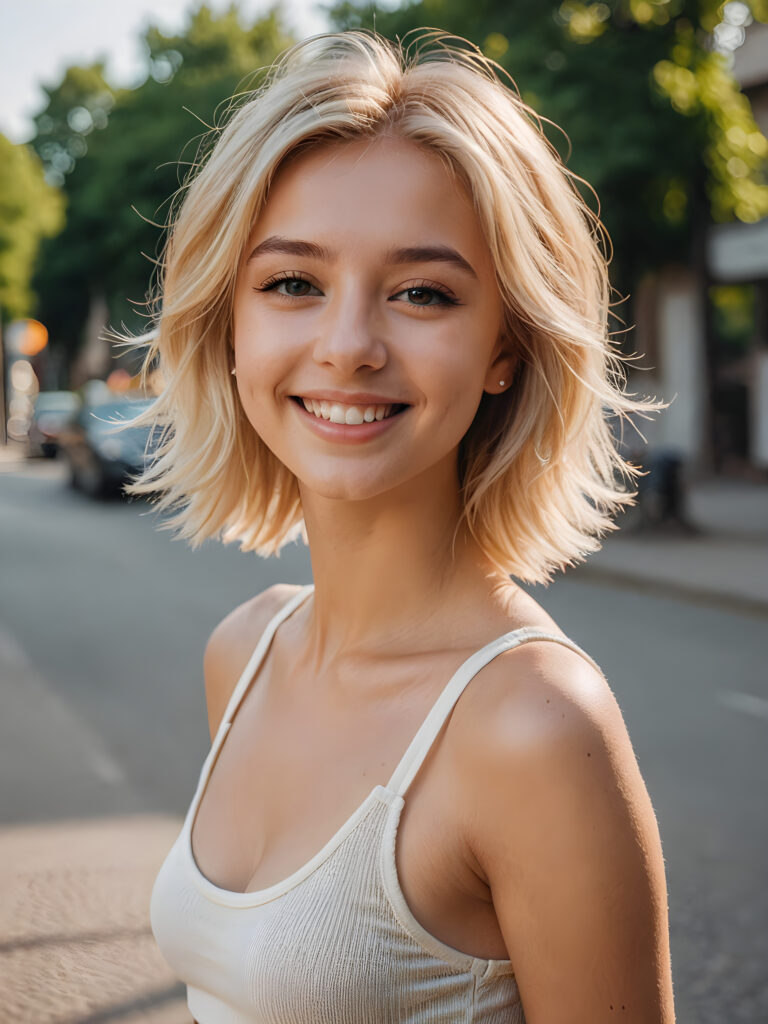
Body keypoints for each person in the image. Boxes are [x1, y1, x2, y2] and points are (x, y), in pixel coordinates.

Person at [134, 27, 675, 1023]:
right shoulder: (244, 651)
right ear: (231, 324)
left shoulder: (536, 728)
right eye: (293, 282)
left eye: (422, 293)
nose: (347, 347)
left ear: (505, 347)